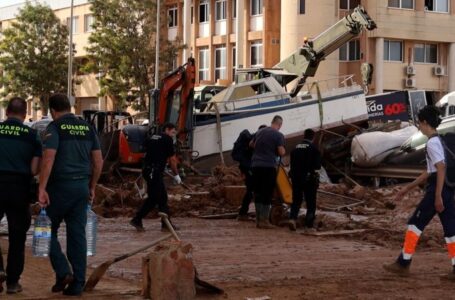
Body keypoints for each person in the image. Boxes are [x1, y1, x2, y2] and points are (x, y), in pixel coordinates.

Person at [38, 93, 103, 296]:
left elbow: (48, 159)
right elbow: (98, 161)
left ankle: (63, 271)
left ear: (53, 111)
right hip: (81, 188)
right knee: (77, 236)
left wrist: (41, 188)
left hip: (59, 188)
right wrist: (92, 186)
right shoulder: (87, 127)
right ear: (70, 106)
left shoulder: (55, 127)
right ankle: (77, 284)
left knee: (45, 230)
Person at [383, 106, 455, 279]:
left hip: (437, 191)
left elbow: (440, 168)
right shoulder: (439, 140)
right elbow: (430, 170)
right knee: (451, 229)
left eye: (419, 123)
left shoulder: (431, 143)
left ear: (424, 122)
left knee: (415, 224)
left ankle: (403, 263)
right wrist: (407, 188)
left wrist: (437, 196)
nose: (419, 127)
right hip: (446, 189)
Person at [0, 97, 42, 294]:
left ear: (7, 112)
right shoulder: (32, 135)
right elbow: (34, 169)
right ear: (25, 115)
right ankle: (13, 282)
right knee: (17, 236)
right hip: (19, 187)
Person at [130, 123, 182, 232]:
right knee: (155, 198)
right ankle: (137, 219)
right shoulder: (167, 139)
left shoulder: (152, 137)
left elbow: (145, 152)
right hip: (154, 171)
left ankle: (165, 224)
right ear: (167, 129)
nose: (173, 135)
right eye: (173, 132)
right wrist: (176, 174)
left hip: (149, 170)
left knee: (162, 197)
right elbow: (172, 159)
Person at [251, 116, 285, 229]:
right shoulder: (278, 135)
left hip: (255, 165)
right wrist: (282, 151)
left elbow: (251, 144)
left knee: (258, 192)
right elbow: (281, 152)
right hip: (268, 166)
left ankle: (258, 219)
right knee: (267, 192)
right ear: (279, 125)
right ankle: (264, 220)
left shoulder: (260, 131)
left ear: (272, 122)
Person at [288, 128, 321, 231]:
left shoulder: (295, 149)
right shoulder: (314, 149)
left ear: (304, 136)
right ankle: (308, 225)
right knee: (311, 202)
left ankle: (292, 219)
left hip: (296, 178)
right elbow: (317, 166)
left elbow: (291, 164)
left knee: (296, 200)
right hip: (309, 179)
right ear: (313, 137)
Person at [234, 125, 267, 221]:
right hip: (249, 168)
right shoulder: (253, 140)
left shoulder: (252, 138)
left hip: (247, 167)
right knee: (252, 189)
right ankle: (243, 213)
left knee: (251, 189)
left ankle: (244, 213)